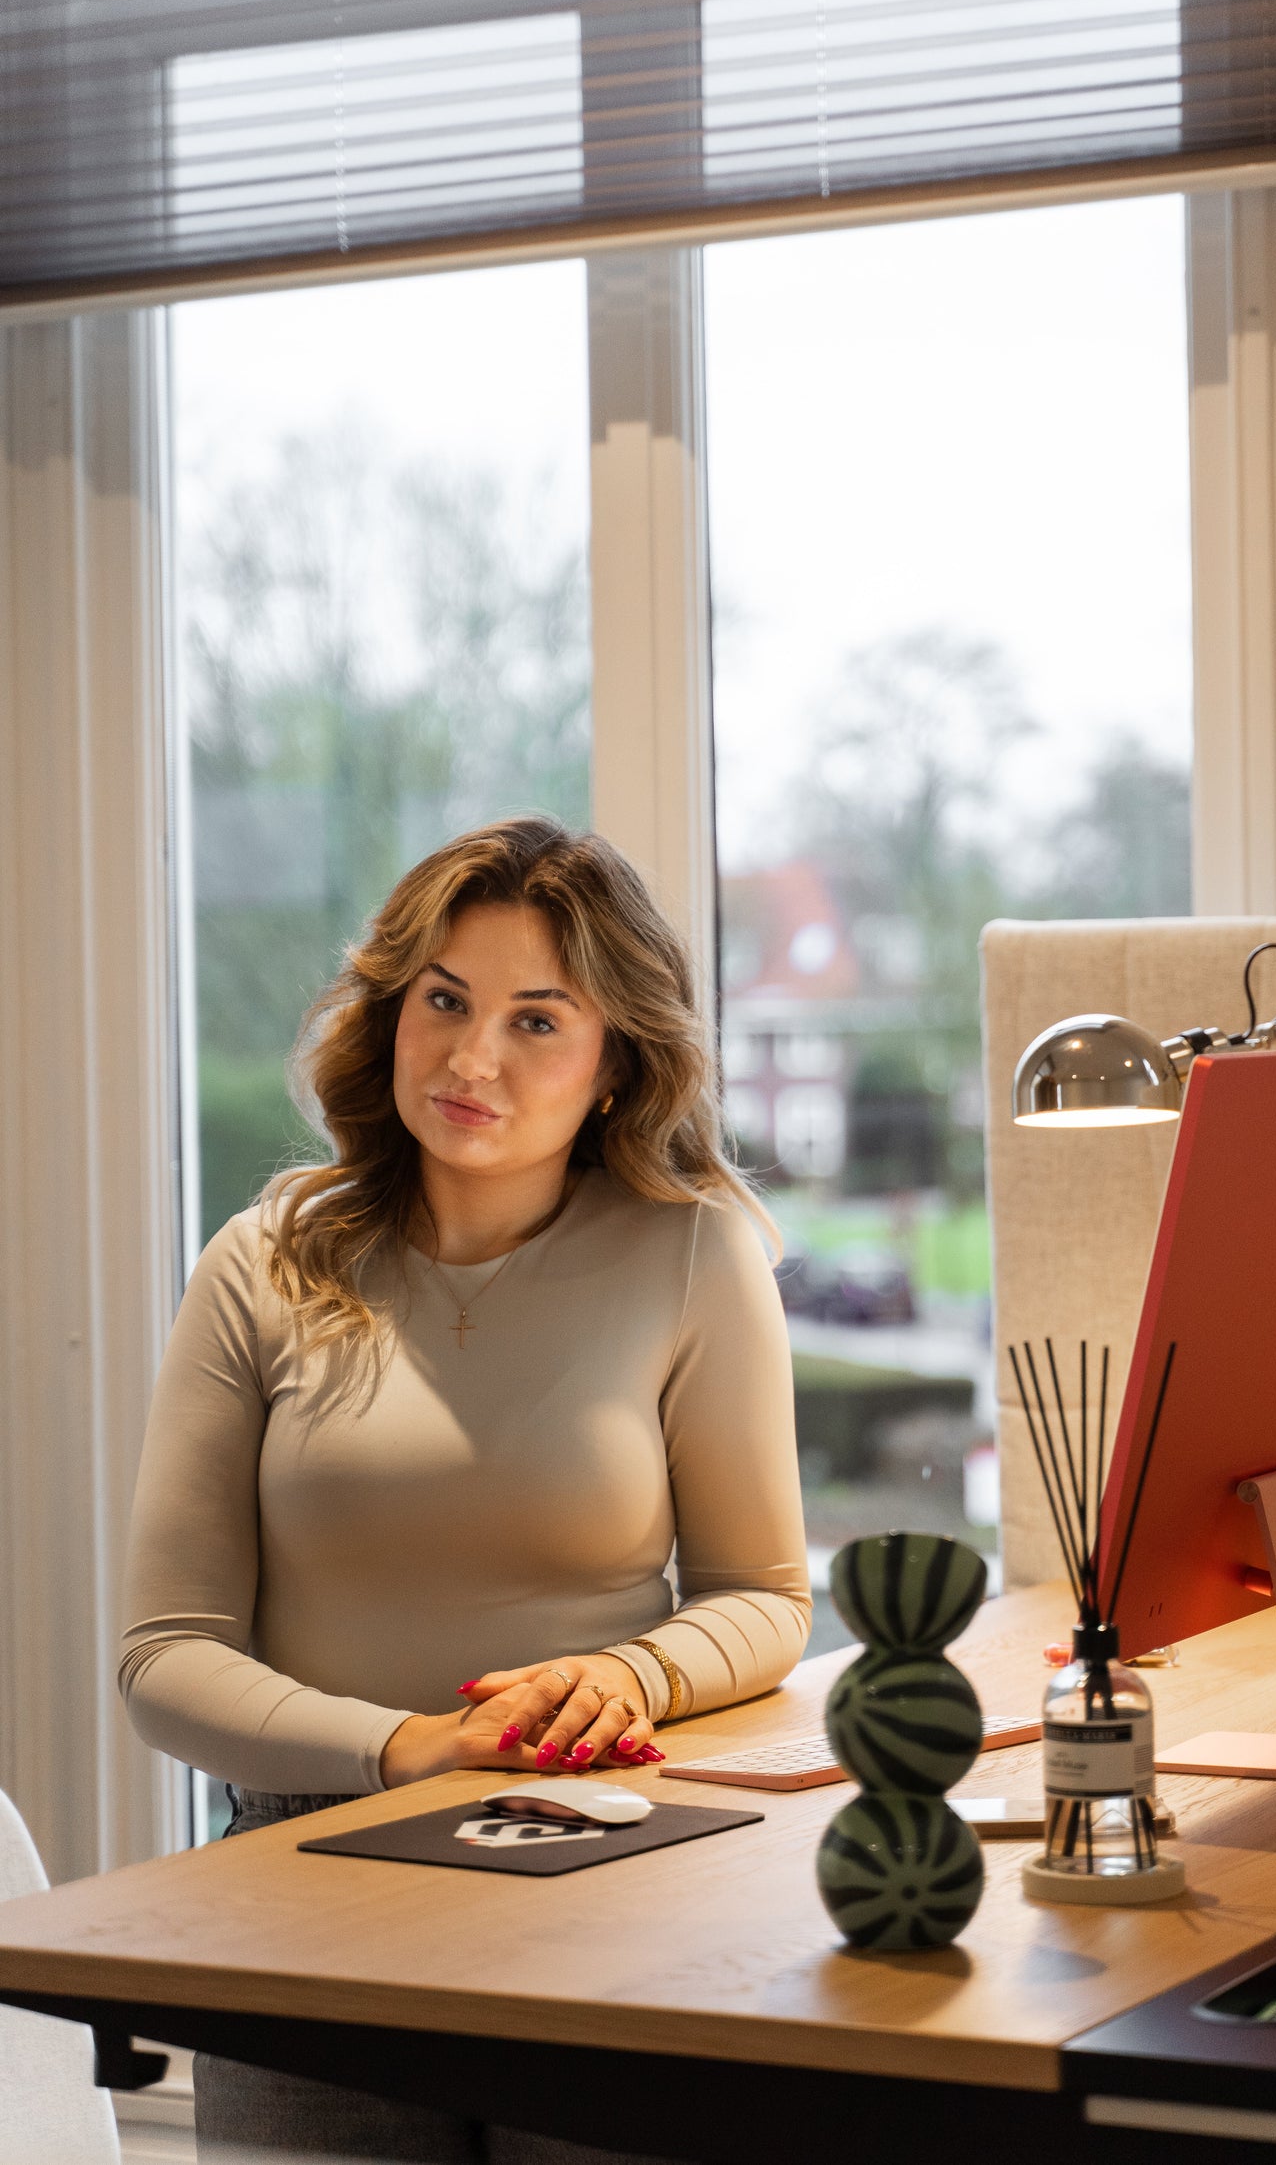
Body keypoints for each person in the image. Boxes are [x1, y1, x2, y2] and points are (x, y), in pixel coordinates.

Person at [119, 818, 811, 2163]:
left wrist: (634, 1675)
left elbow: (763, 1596)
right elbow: (165, 1656)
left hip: (608, 1870)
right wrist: (410, 1749)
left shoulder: (694, 1255)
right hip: (302, 1891)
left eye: (536, 1019)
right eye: (443, 999)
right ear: (391, 1009)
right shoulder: (262, 1262)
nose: (472, 1056)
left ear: (617, 1060)